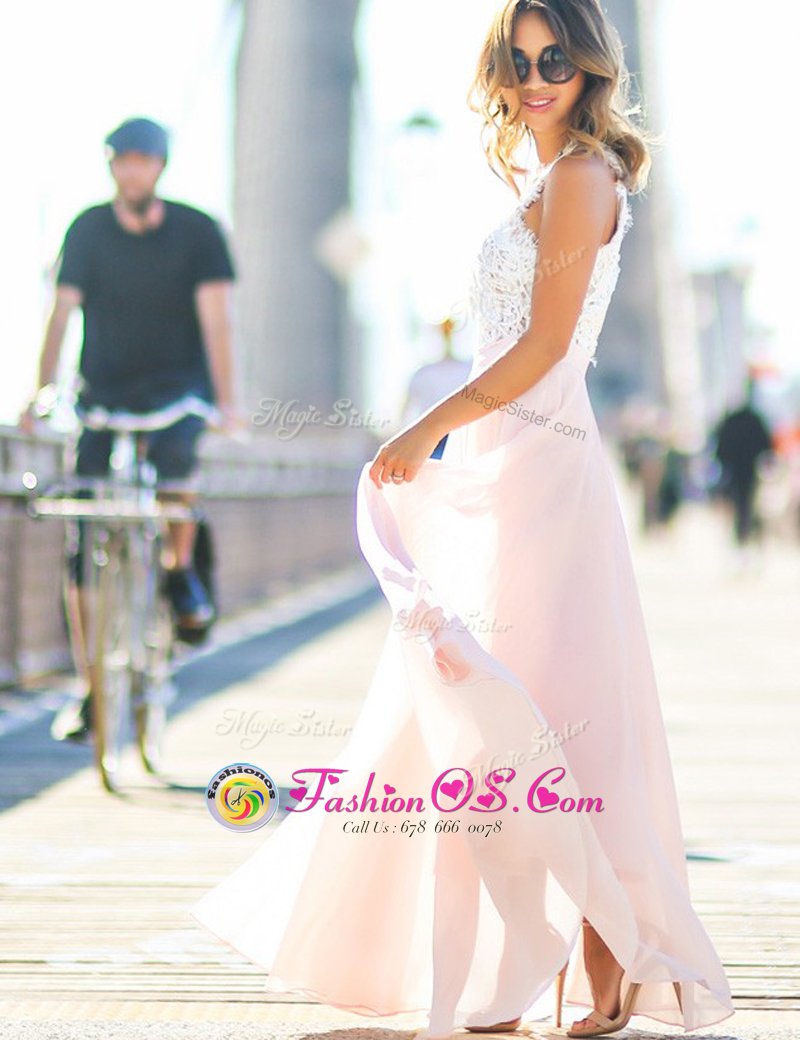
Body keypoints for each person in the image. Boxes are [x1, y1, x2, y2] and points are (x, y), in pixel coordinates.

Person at [188, 4, 735, 1038]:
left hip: (542, 467)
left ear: (590, 65)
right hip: (505, 464)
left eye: (555, 57)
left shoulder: (581, 176)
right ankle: (517, 961)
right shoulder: (548, 177)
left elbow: (545, 346)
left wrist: (425, 426)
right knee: (494, 711)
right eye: (518, 59)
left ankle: (606, 951)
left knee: (551, 712)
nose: (536, 76)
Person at [17, 116, 243, 741]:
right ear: (111, 166)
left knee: (176, 470)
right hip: (102, 393)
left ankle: (178, 569)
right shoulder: (87, 228)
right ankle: (90, 686)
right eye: (122, 160)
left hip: (179, 391)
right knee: (82, 532)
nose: (132, 171)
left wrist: (228, 403)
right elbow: (60, 314)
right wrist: (41, 390)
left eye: (142, 161)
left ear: (160, 167)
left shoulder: (198, 231)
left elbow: (218, 320)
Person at [712, 376, 774, 554]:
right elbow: (766, 445)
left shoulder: (735, 419)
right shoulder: (754, 419)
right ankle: (744, 536)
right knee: (746, 503)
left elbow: (721, 445)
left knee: (741, 503)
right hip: (746, 469)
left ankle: (743, 536)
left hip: (737, 469)